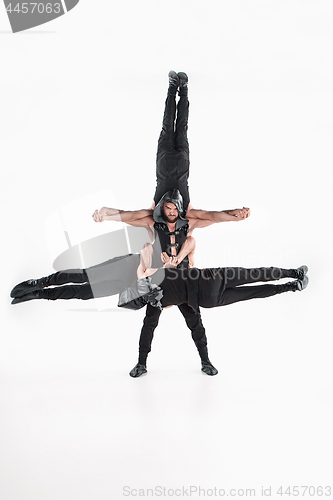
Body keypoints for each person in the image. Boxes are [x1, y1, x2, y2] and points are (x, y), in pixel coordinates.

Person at [91, 71, 250, 377]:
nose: (171, 210)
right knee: (149, 323)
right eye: (167, 208)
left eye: (173, 208)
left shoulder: (189, 219)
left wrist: (235, 214)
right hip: (163, 284)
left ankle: (205, 360)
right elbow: (127, 214)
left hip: (186, 284)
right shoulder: (156, 219)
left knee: (196, 323)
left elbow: (215, 217)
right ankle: (141, 362)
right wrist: (105, 215)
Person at [10, 259, 309, 376]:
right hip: (206, 296)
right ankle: (41, 287)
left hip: (213, 279)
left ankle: (293, 276)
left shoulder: (153, 280)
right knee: (83, 284)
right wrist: (142, 361)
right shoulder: (151, 299)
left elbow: (165, 256)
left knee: (254, 278)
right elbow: (145, 326)